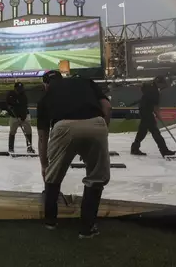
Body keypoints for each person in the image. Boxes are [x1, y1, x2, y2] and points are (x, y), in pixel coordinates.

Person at [36, 70, 111, 239]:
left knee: (53, 177)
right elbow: (107, 106)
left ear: (46, 84)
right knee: (96, 178)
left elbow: (42, 136)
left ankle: (50, 222)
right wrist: (102, 131)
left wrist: (44, 165)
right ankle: (87, 228)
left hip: (63, 127)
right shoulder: (84, 81)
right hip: (95, 122)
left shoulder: (45, 97)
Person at [131, 76, 176, 157]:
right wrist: (159, 116)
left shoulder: (148, 87)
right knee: (155, 131)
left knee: (142, 131)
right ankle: (164, 150)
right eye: (163, 84)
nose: (163, 86)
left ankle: (135, 148)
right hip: (147, 112)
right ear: (159, 83)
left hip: (143, 110)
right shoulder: (155, 92)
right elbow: (155, 106)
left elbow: (143, 90)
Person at [6, 82, 35, 154]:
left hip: (24, 115)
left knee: (28, 131)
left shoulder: (24, 96)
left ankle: (29, 147)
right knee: (12, 131)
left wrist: (22, 118)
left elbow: (24, 108)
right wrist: (12, 112)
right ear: (15, 88)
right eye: (18, 89)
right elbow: (8, 105)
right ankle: (11, 148)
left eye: (21, 89)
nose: (20, 90)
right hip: (14, 116)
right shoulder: (10, 95)